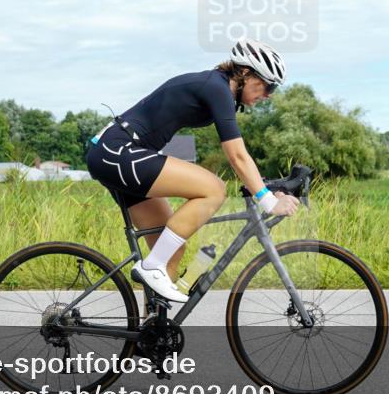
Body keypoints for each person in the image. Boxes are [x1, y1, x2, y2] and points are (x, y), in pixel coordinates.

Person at [85, 38, 300, 303]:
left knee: (171, 248)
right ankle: (151, 268)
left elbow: (243, 157)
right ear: (245, 73)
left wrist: (268, 188)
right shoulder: (216, 87)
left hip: (117, 155)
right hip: (119, 151)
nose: (268, 94)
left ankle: (151, 334)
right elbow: (236, 155)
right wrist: (267, 200)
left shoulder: (217, 89)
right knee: (214, 189)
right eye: (267, 85)